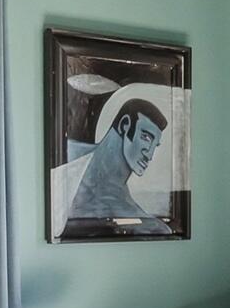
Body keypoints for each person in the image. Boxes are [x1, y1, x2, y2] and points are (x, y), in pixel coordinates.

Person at [62, 95, 171, 235]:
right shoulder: (66, 154)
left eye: (155, 146)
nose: (149, 155)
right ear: (124, 125)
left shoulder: (136, 216)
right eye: (146, 137)